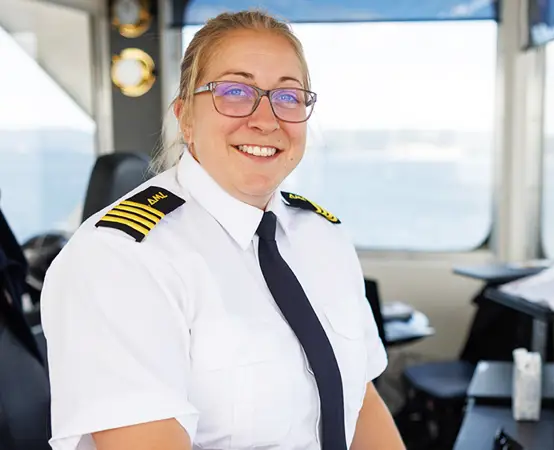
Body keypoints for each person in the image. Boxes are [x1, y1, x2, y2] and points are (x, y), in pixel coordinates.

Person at [40, 10, 405, 450]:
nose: (266, 119)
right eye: (235, 91)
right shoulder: (119, 259)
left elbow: (359, 402)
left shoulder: (323, 236)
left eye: (288, 97)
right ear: (185, 119)